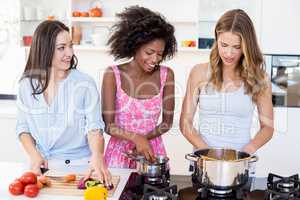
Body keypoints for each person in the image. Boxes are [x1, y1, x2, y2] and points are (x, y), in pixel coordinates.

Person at [16, 20, 112, 185]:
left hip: (79, 168)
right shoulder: (27, 84)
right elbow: (23, 127)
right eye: (61, 48)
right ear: (44, 50)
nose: (69, 53)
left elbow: (94, 127)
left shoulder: (84, 83)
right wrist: (34, 155)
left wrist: (97, 156)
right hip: (40, 168)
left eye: (71, 46)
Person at [180, 9, 274, 156]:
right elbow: (185, 123)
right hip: (205, 162)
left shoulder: (259, 78)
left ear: (247, 46)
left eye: (236, 47)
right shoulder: (199, 73)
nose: (229, 54)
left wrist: (244, 153)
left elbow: (267, 128)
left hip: (241, 163)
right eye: (224, 45)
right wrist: (209, 153)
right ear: (216, 38)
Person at [102, 6, 177, 168]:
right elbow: (109, 125)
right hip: (119, 154)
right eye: (149, 52)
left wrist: (144, 140)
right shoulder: (113, 75)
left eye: (159, 54)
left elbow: (166, 123)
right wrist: (136, 138)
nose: (155, 59)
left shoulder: (167, 75)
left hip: (151, 153)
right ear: (135, 46)